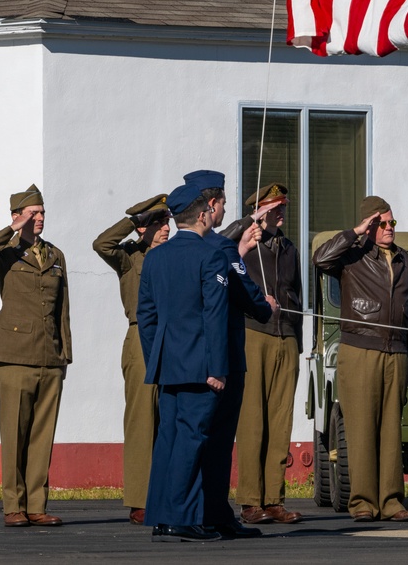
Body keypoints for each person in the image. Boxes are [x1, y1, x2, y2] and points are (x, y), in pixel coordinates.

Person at [311, 195, 408, 523]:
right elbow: (320, 259)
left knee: (391, 430)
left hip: (396, 354)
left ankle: (390, 501)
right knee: (359, 428)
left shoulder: (404, 260)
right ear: (369, 225)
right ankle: (362, 502)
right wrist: (356, 232)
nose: (388, 229)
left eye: (391, 223)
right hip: (359, 351)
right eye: (381, 224)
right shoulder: (352, 256)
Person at [183, 169, 276, 537]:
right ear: (210, 204)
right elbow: (246, 295)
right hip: (225, 359)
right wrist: (267, 306)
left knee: (200, 440)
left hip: (195, 359)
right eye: (221, 201)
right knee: (218, 442)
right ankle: (215, 513)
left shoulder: (195, 247)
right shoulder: (219, 248)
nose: (223, 207)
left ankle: (203, 511)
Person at [0, 184, 71, 528]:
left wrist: (64, 356)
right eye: (33, 213)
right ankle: (13, 505)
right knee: (15, 433)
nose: (40, 218)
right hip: (14, 355)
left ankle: (36, 505)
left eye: (42, 212)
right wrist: (12, 230)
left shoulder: (55, 255)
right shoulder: (7, 253)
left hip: (49, 357)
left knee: (42, 436)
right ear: (17, 216)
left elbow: (62, 311)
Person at [137, 182, 230, 542]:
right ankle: (183, 518)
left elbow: (146, 317)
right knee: (192, 440)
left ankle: (162, 515)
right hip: (200, 365)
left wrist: (156, 358)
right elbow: (215, 317)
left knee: (169, 440)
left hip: (168, 363)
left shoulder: (156, 257)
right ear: (205, 214)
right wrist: (216, 368)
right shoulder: (211, 256)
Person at [220, 183, 304, 525]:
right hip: (254, 334)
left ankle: (274, 498)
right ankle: (251, 500)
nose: (281, 213)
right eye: (274, 208)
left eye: (282, 207)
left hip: (286, 336)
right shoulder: (245, 243)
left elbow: (295, 291)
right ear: (260, 211)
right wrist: (248, 222)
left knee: (280, 422)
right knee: (253, 421)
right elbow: (220, 245)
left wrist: (297, 336)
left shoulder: (288, 247)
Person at [92, 194, 171, 526]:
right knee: (142, 420)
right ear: (145, 228)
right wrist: (134, 220)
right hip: (141, 338)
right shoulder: (129, 257)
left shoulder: (173, 256)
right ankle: (140, 499)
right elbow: (101, 244)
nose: (166, 228)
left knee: (170, 418)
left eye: (168, 221)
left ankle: (167, 494)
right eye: (158, 223)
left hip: (173, 339)